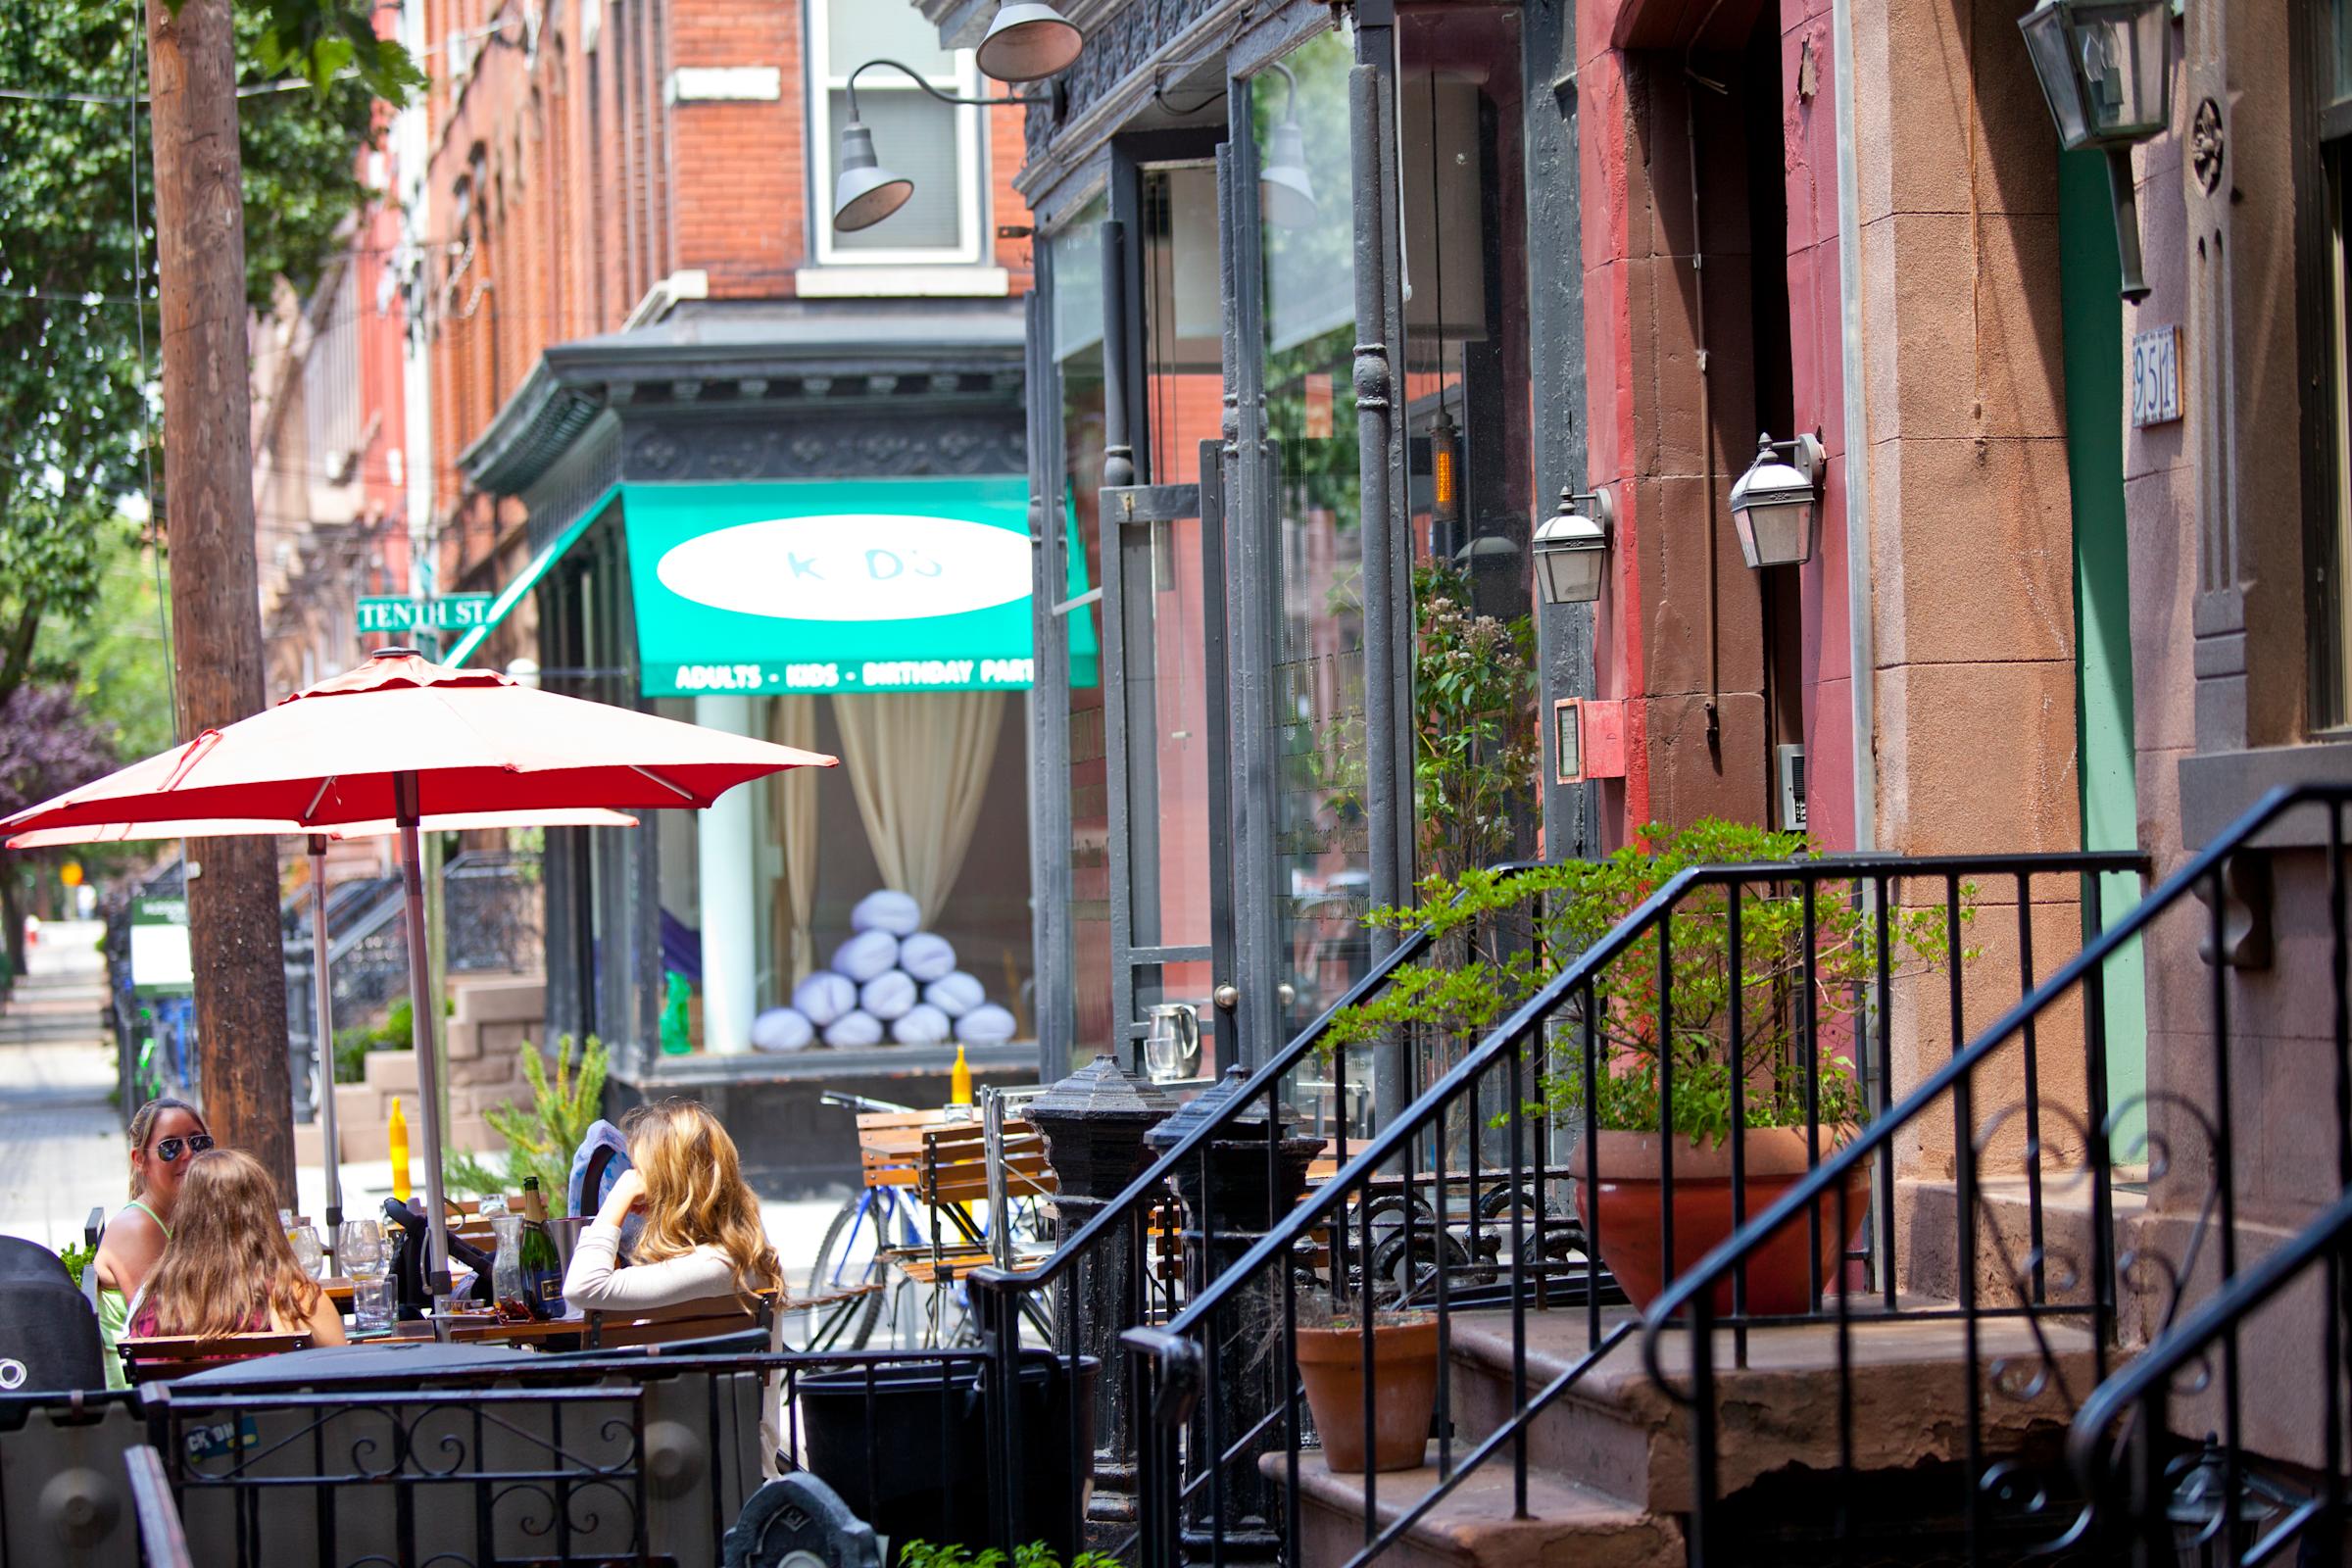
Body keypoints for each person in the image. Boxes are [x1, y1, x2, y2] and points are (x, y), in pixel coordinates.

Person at [564, 1101, 787, 1469]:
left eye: (640, 1172)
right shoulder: (739, 1257)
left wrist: (616, 1201)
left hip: (676, 1471)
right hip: (717, 1461)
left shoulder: (718, 1265)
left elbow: (582, 1288)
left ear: (667, 1186)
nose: (636, 1182)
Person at [124, 1149, 346, 1348]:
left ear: (185, 1218)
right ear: (265, 1217)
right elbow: (345, 1380)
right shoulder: (296, 1302)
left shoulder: (153, 1305)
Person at [91, 1096, 211, 1388]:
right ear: (140, 1160)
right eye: (170, 1147)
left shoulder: (187, 1216)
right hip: (139, 1396)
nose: (187, 1154)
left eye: (198, 1142)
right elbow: (163, 1330)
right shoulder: (139, 1227)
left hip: (174, 1375)